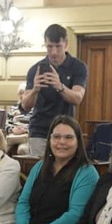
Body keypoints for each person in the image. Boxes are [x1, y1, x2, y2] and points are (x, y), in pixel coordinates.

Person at [22, 24, 88, 157]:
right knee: (41, 172)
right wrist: (35, 90)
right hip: (39, 131)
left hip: (65, 130)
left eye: (58, 46)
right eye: (49, 46)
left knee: (65, 171)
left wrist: (60, 86)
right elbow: (25, 106)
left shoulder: (78, 67)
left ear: (66, 44)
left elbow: (77, 98)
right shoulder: (35, 69)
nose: (53, 52)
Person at [6, 82, 31, 154]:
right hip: (13, 135)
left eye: (25, 93)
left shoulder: (35, 108)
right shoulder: (13, 108)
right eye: (20, 93)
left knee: (22, 150)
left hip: (26, 136)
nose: (22, 95)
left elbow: (36, 124)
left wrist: (25, 130)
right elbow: (6, 124)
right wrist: (12, 129)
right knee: (1, 149)